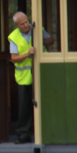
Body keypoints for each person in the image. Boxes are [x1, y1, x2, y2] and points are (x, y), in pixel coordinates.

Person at [8, 11, 52, 143]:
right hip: (24, 78)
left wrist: (41, 42)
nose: (26, 25)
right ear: (16, 26)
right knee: (24, 107)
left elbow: (51, 40)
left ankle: (47, 133)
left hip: (42, 73)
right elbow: (14, 58)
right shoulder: (14, 37)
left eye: (26, 22)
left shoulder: (37, 29)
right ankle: (23, 135)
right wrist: (28, 54)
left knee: (44, 103)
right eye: (22, 24)